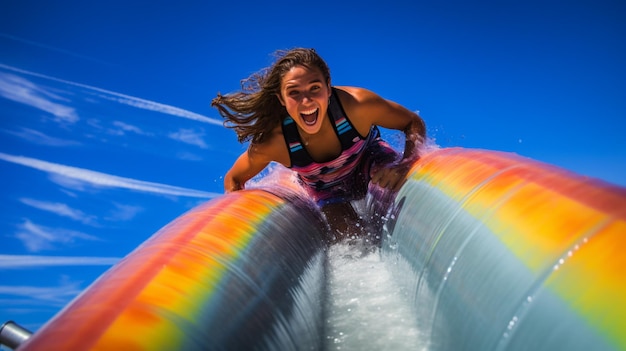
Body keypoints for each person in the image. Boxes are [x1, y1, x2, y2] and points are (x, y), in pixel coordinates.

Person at [212, 48, 426, 242]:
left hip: (370, 160)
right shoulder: (275, 141)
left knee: (397, 187)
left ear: (328, 87)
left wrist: (404, 164)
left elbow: (412, 122)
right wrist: (239, 221)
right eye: (294, 92)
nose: (306, 101)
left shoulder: (357, 105)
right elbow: (235, 179)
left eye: (315, 88)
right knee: (352, 240)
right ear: (281, 99)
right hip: (325, 189)